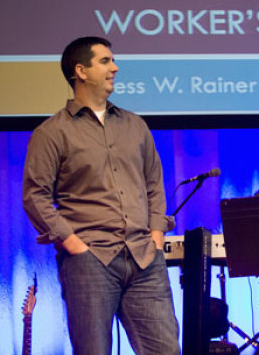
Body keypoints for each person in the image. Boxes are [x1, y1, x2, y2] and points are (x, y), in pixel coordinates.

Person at [23, 37, 180, 354]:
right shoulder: (52, 133)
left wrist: (156, 236)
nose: (115, 67)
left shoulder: (135, 125)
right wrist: (73, 243)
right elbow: (35, 196)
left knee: (165, 349)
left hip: (144, 256)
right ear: (80, 71)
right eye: (106, 61)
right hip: (90, 260)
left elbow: (154, 183)